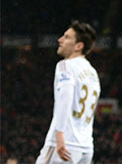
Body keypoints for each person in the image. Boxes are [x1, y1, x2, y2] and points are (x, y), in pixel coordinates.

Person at [36, 20, 100, 164]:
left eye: (66, 37)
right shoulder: (93, 73)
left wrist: (59, 135)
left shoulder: (66, 66)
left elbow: (65, 98)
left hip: (65, 144)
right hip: (86, 146)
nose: (60, 40)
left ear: (79, 46)